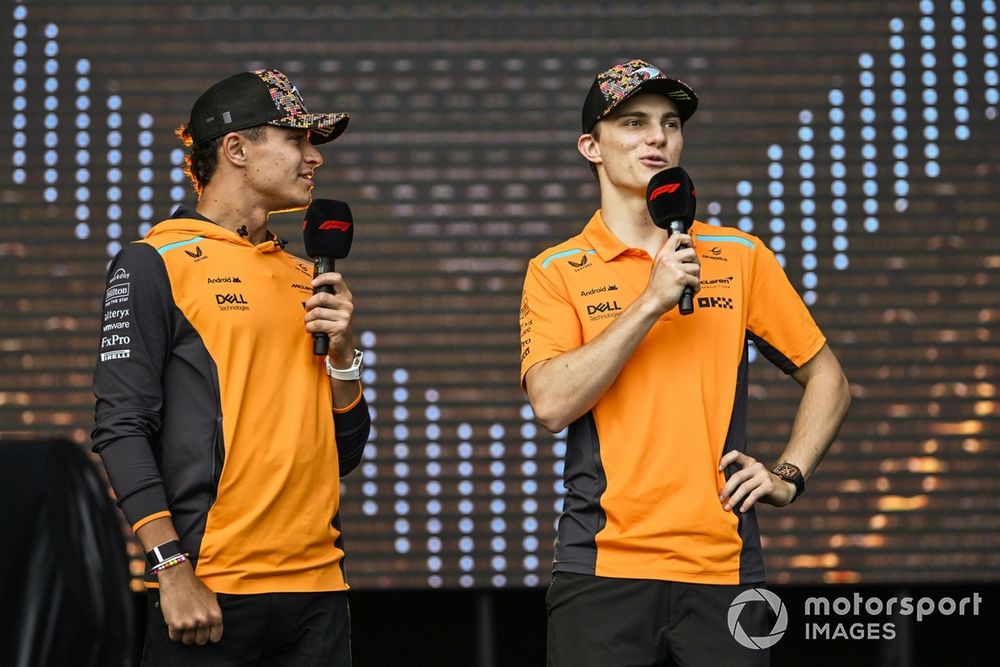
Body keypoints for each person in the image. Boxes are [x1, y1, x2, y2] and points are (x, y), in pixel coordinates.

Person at [519, 58, 851, 666]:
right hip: (603, 569)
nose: (658, 137)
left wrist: (788, 475)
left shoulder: (739, 254)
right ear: (591, 146)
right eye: (634, 123)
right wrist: (651, 301)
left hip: (725, 569)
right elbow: (552, 404)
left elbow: (828, 378)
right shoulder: (556, 269)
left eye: (671, 124)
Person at [91, 68, 370, 666]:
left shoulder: (307, 275)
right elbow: (121, 427)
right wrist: (170, 568)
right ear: (236, 149)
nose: (313, 158)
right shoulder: (153, 262)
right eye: (295, 139)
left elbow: (342, 454)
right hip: (210, 592)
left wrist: (345, 357)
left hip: (320, 593)